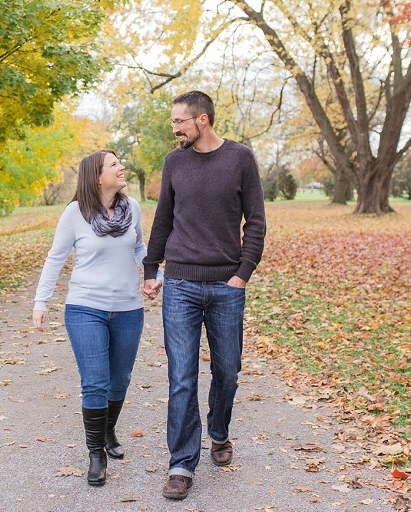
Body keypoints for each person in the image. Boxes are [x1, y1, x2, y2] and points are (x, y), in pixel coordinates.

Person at [141, 91, 266, 500]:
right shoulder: (174, 162)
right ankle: (181, 463)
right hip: (180, 284)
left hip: (227, 286)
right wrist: (151, 269)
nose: (174, 129)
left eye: (180, 121)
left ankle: (219, 432)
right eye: (173, 122)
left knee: (227, 371)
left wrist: (242, 276)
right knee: (181, 377)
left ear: (203, 120)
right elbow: (162, 220)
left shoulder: (240, 159)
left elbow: (257, 223)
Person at [33, 149, 163, 487]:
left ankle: (107, 430)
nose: (122, 167)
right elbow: (55, 257)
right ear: (96, 176)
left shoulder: (131, 208)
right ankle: (96, 453)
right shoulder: (75, 213)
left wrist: (153, 274)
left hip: (128, 309)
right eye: (114, 164)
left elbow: (138, 247)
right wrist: (40, 301)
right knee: (95, 381)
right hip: (85, 308)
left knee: (120, 380)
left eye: (120, 162)